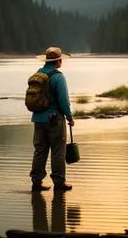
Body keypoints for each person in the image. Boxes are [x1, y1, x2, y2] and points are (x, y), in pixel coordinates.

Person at [29, 47, 75, 191]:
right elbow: (64, 100)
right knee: (57, 151)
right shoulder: (58, 77)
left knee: (40, 150)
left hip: (38, 118)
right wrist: (70, 117)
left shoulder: (38, 74)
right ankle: (59, 182)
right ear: (58, 61)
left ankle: (36, 182)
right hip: (54, 119)